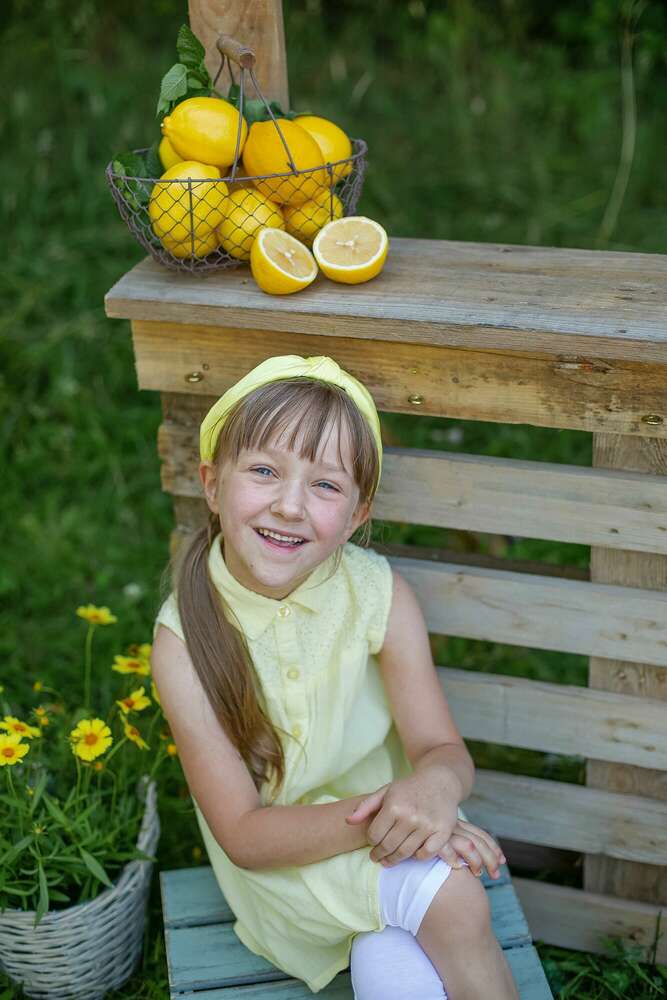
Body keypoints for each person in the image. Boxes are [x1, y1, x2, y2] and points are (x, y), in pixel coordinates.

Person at [151, 354, 519, 1000]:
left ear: (355, 513)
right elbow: (243, 836)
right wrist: (391, 817)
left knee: (391, 959)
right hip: (286, 863)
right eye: (264, 471)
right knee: (454, 900)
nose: (289, 506)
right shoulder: (184, 643)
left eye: (324, 486)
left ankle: (378, 945)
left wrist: (432, 788)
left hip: (400, 818)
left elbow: (440, 749)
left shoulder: (377, 594)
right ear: (211, 484)